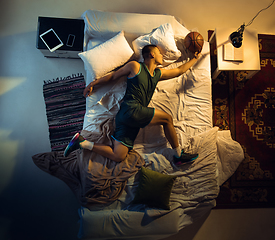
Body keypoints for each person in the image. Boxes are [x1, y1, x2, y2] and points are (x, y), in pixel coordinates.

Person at [64, 45, 200, 165]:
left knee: (119, 156)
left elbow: (179, 71)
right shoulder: (135, 66)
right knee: (167, 119)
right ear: (152, 54)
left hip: (127, 118)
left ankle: (82, 143)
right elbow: (113, 76)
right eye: (159, 52)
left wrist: (195, 58)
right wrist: (92, 84)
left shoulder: (158, 73)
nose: (162, 55)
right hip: (131, 109)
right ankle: (178, 156)